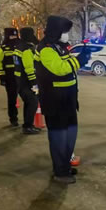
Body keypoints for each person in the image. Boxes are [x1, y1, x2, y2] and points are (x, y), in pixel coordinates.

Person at [34, 16, 90, 184]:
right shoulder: (45, 49)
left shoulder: (60, 47)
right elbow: (60, 69)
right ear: (56, 31)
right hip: (54, 101)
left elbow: (69, 65)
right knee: (59, 138)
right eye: (64, 31)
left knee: (70, 135)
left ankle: (64, 165)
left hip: (68, 99)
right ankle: (60, 171)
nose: (67, 35)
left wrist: (82, 56)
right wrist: (79, 61)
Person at [14, 27, 41, 135]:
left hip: (19, 80)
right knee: (33, 102)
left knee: (29, 103)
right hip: (26, 82)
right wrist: (34, 84)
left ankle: (28, 125)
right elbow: (29, 68)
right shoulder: (26, 49)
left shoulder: (18, 47)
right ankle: (28, 126)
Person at [0, 28, 20, 127]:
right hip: (10, 77)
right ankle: (13, 118)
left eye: (15, 35)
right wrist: (1, 76)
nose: (14, 38)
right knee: (12, 99)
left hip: (21, 76)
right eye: (11, 36)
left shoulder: (20, 45)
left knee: (29, 99)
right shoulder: (3, 48)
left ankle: (28, 121)